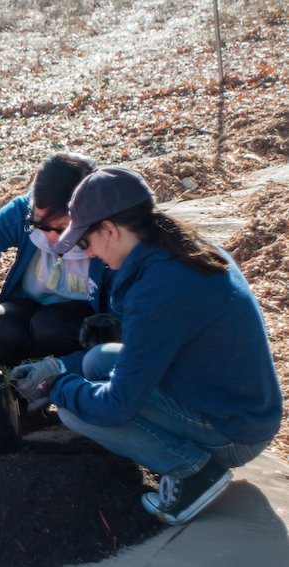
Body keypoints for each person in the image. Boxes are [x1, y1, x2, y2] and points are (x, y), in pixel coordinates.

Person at [14, 167, 283, 525]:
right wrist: (62, 367)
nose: (89, 252)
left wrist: (56, 385)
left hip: (235, 431)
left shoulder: (159, 287)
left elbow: (115, 408)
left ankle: (194, 471)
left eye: (85, 240)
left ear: (110, 229)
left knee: (74, 411)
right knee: (98, 360)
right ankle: (189, 459)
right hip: (238, 403)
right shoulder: (178, 250)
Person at [0, 152, 116, 392]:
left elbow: (127, 338)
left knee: (50, 325)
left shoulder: (111, 235)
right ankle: (16, 385)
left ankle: (67, 385)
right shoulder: (22, 214)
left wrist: (58, 366)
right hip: (29, 316)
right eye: (40, 225)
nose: (51, 238)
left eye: (62, 229)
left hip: (77, 333)